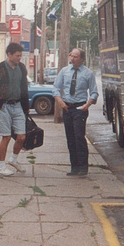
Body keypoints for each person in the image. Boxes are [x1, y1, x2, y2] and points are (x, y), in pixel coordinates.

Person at [0, 43, 30, 176]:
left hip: (18, 105)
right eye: (17, 56)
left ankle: (13, 160)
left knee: (21, 136)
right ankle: (2, 167)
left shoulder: (21, 67)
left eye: (20, 55)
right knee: (6, 137)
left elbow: (24, 88)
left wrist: (26, 108)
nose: (19, 58)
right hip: (2, 106)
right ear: (9, 55)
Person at [53, 47, 98, 176]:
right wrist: (60, 102)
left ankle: (83, 167)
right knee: (70, 138)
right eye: (71, 56)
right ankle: (74, 167)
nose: (72, 59)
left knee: (79, 137)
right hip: (67, 107)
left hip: (80, 108)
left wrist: (87, 104)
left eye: (75, 56)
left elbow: (94, 93)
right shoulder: (64, 71)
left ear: (82, 59)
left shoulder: (88, 73)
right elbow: (56, 88)